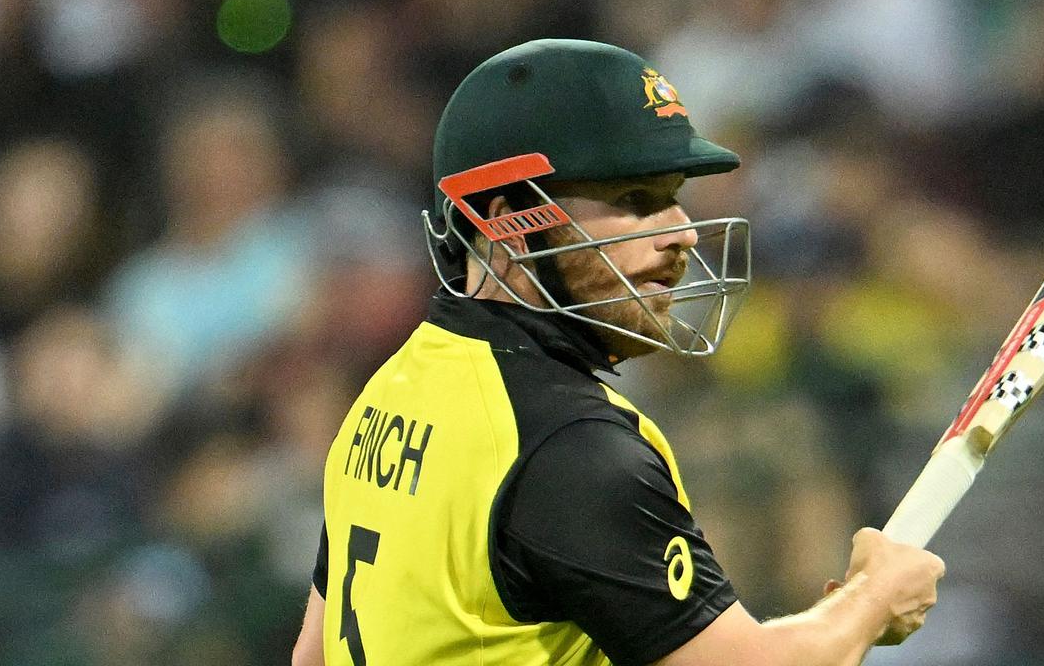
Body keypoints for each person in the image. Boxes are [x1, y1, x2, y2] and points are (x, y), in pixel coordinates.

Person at [291, 39, 944, 666]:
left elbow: (315, 654)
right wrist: (874, 601)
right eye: (635, 201)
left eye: (675, 198)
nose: (682, 232)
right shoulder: (570, 445)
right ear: (505, 221)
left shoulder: (389, 392)